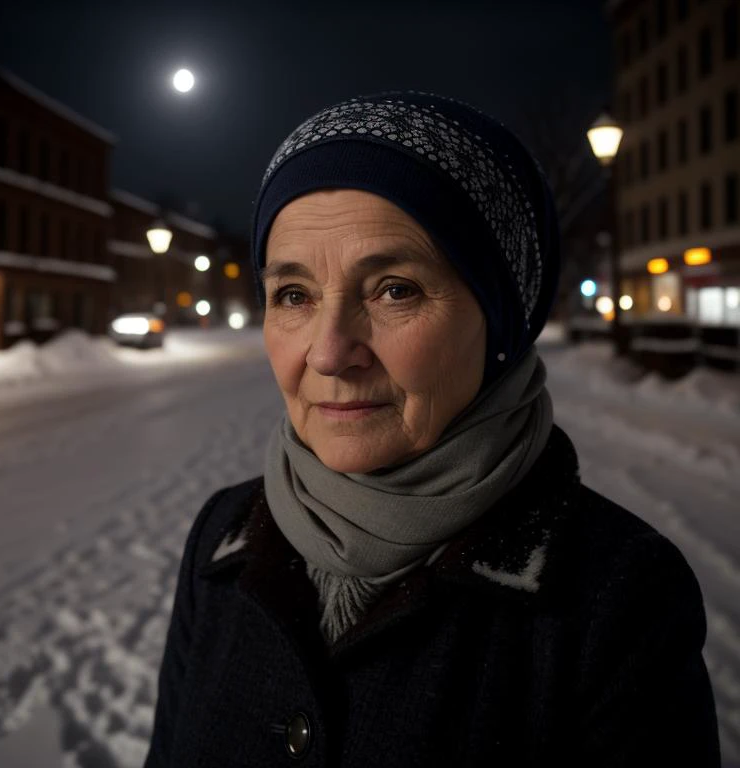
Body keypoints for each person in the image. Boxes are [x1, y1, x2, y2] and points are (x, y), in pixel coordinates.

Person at [143, 91, 720, 767]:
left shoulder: (616, 596)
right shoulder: (220, 539)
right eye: (294, 296)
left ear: (498, 317)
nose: (328, 353)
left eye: (395, 289)